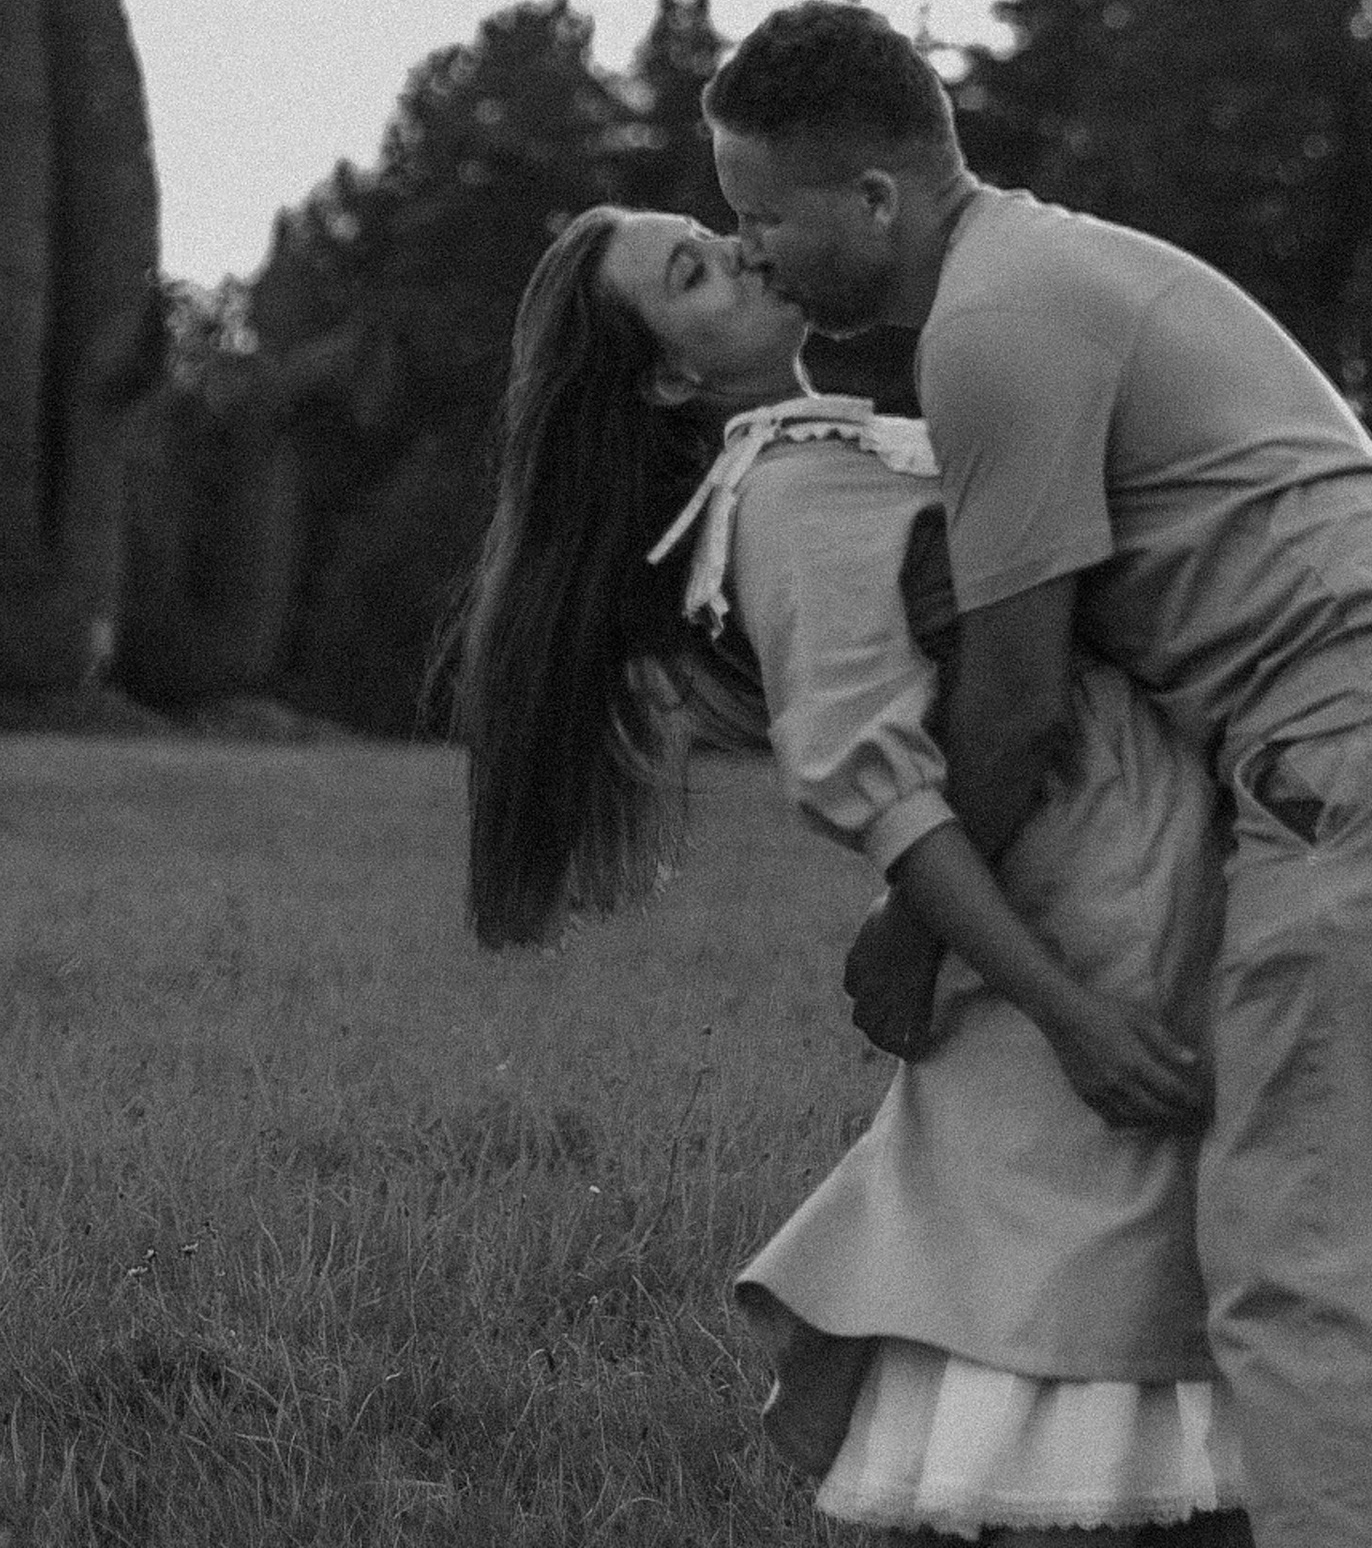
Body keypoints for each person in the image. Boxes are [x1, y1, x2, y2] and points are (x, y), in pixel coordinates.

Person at [703, 3, 1372, 1548]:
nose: (755, 252)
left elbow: (1018, 701)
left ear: (875, 198)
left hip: (1355, 731)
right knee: (1294, 1220)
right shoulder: (1043, 267)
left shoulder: (993, 327)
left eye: (764, 214)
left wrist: (917, 926)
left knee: (1315, 1250)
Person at [454, 201, 1251, 1542]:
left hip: (1124, 870)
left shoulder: (834, 454)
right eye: (693, 274)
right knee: (1078, 1334)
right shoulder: (782, 500)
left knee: (1108, 1325)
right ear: (667, 375)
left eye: (716, 229)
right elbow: (880, 792)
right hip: (1083, 909)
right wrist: (1066, 1008)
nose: (746, 251)